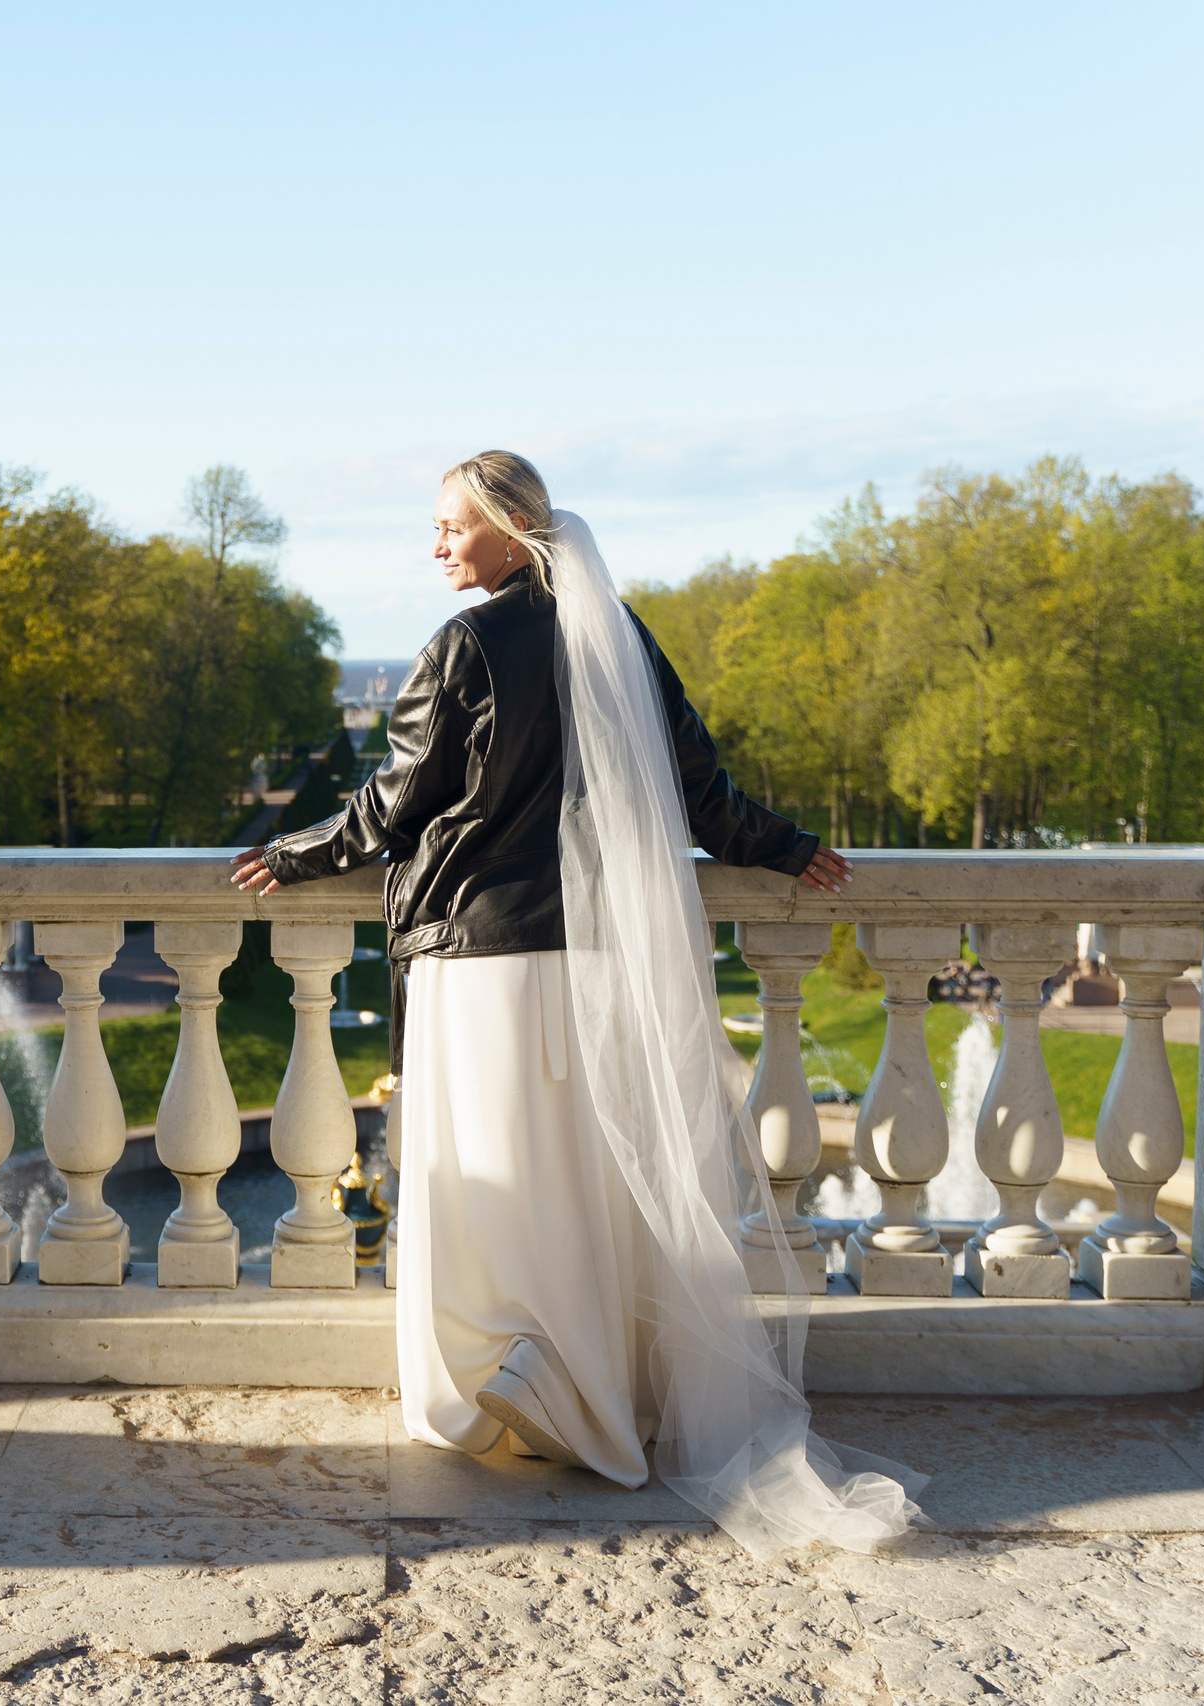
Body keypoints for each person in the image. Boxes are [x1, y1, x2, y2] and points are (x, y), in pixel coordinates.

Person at [230, 451, 920, 1556]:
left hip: (481, 961)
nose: (437, 544)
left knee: (493, 1183)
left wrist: (294, 853)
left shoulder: (464, 645)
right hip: (593, 960)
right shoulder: (619, 632)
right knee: (584, 1182)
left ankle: (523, 1386)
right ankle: (594, 1386)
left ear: (511, 528)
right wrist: (785, 846)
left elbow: (394, 803)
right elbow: (698, 789)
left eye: (453, 525)